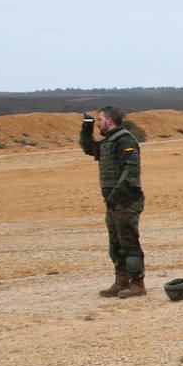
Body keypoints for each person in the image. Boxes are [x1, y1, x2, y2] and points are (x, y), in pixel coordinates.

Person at [79, 107, 146, 298]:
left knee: (128, 241)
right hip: (113, 201)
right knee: (115, 242)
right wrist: (86, 128)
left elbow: (130, 171)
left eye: (100, 120)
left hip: (127, 199)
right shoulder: (108, 142)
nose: (99, 123)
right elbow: (89, 149)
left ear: (109, 121)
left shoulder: (125, 141)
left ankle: (137, 283)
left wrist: (117, 193)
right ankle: (121, 281)